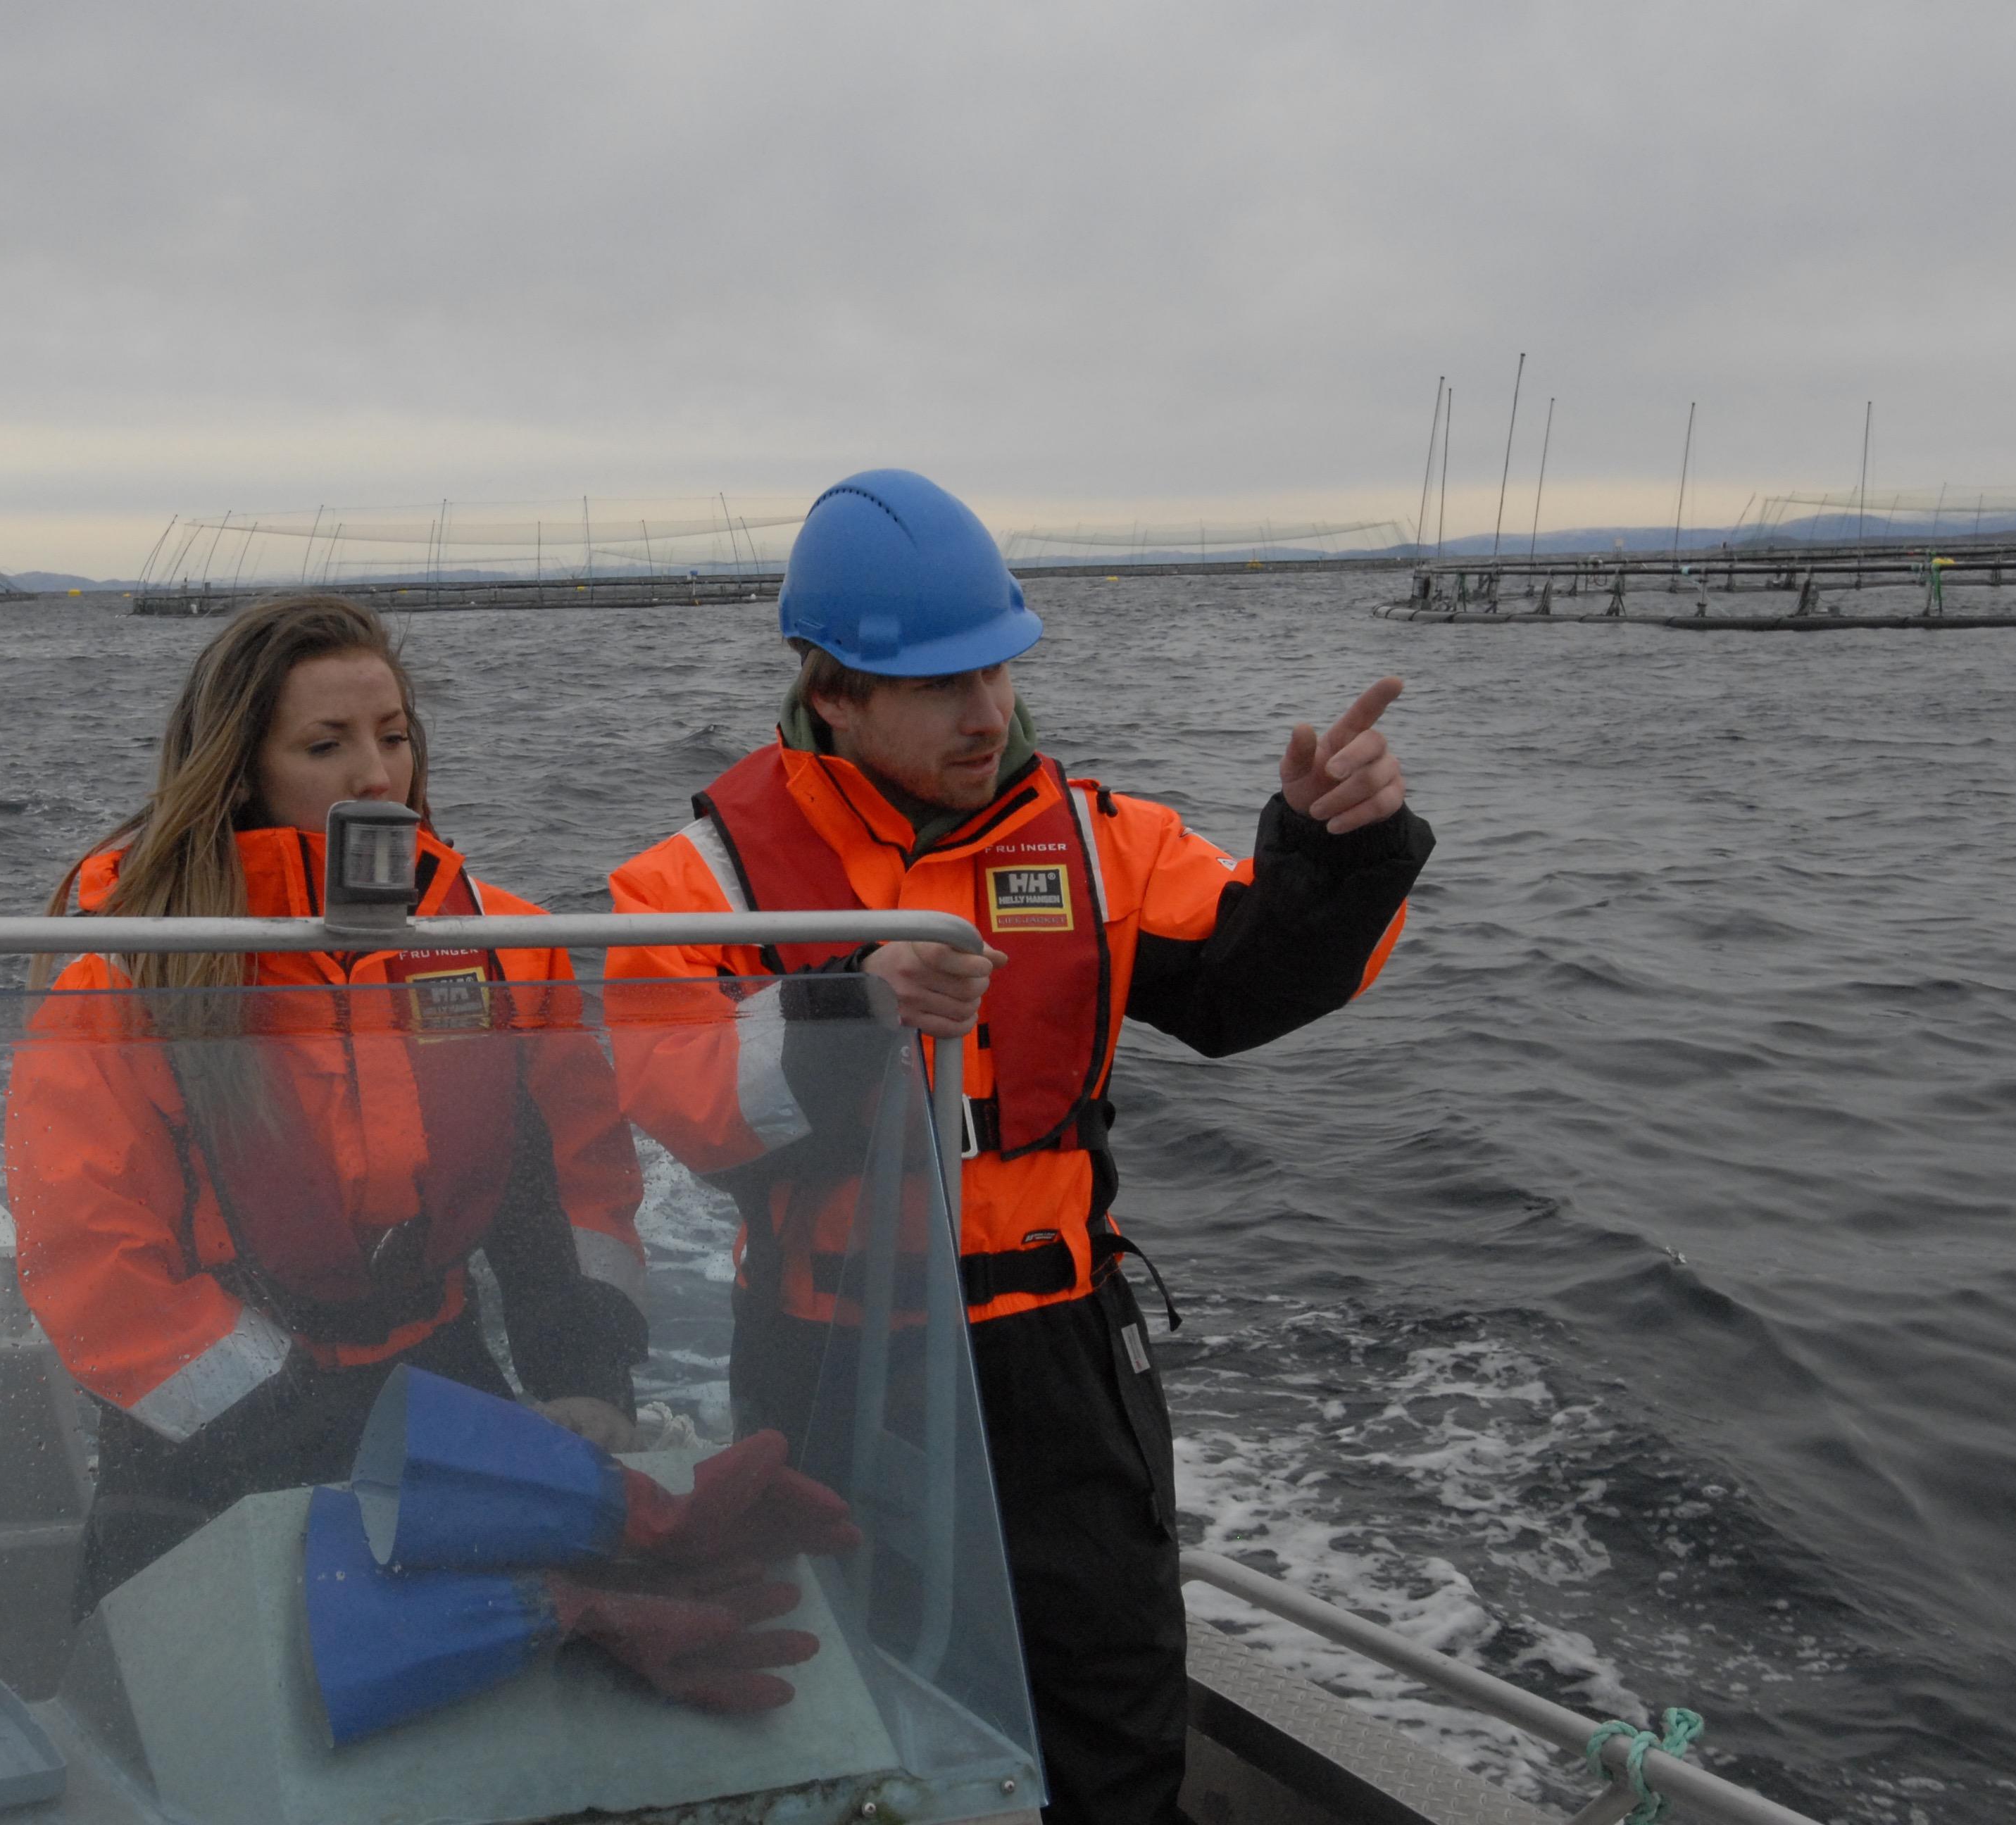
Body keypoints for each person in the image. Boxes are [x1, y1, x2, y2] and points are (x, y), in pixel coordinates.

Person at [603, 470, 1434, 1825]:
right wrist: (848, 1006)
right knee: (844, 1715)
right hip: (826, 1363)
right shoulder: (696, 882)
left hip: (1055, 1360)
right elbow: (679, 1095)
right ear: (834, 696)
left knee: (1111, 1708)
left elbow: (1248, 987)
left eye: (996, 667)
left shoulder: (1104, 843)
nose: (986, 710)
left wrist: (1338, 849)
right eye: (939, 685)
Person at [4, 593, 650, 1607]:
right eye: (327, 745)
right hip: (212, 1437)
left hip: (435, 1376)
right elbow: (92, 1250)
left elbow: (569, 1178)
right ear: (242, 769)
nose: (378, 775)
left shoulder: (500, 941)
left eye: (394, 736)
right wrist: (280, 1422)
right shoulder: (131, 967)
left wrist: (583, 1370)